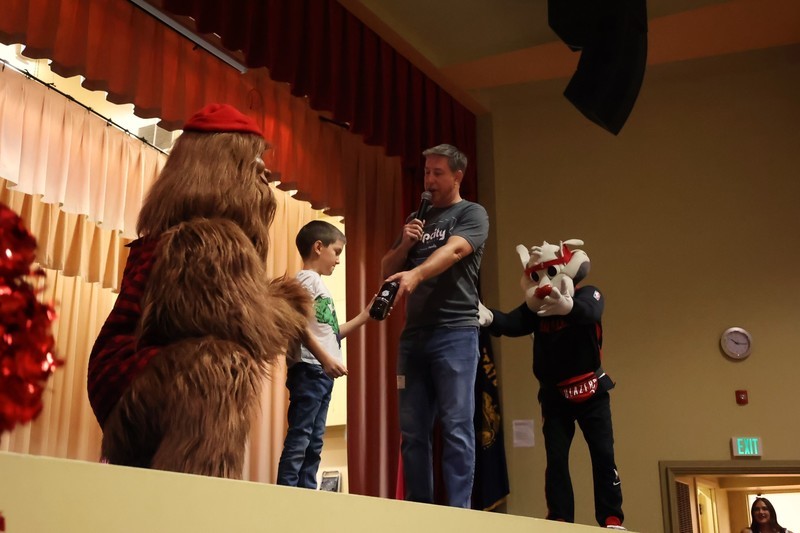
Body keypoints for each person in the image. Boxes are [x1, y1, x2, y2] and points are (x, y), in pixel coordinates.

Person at [480, 239, 625, 529]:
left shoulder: (589, 294)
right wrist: (490, 317)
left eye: (550, 273)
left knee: (603, 455)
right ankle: (559, 518)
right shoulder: (537, 309)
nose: (545, 284)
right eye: (538, 276)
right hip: (555, 397)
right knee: (556, 459)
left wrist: (567, 305)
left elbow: (591, 311)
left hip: (592, 392)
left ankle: (611, 517)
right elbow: (513, 322)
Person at [381, 143, 489, 508]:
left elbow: (455, 251)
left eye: (438, 173)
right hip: (414, 336)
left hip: (455, 332)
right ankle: (419, 511)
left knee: (457, 427)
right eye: (427, 172)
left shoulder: (471, 213)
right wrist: (404, 245)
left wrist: (416, 273)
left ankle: (458, 514)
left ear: (457, 176)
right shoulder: (418, 218)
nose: (429, 180)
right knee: (412, 432)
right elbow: (386, 269)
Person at [276, 220, 372, 488]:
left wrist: (365, 316)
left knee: (314, 439)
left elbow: (330, 333)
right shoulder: (306, 280)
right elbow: (297, 323)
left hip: (320, 372)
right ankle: (287, 491)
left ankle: (307, 491)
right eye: (337, 252)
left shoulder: (317, 284)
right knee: (301, 435)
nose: (338, 260)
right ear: (318, 247)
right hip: (310, 369)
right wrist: (326, 359)